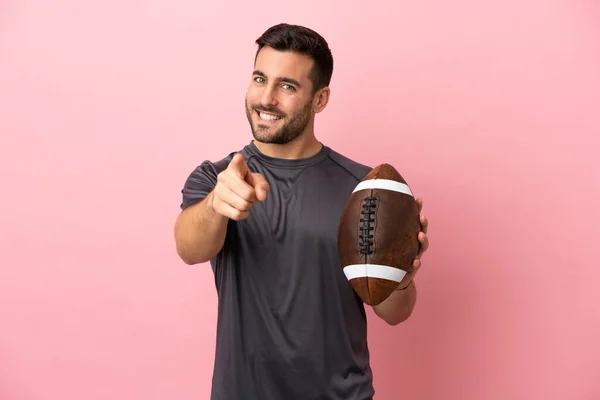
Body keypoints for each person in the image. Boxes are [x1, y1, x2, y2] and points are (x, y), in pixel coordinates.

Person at [173, 23, 430, 400]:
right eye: (260, 79)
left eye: (287, 86)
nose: (267, 98)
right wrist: (216, 204)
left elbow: (395, 313)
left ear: (320, 99)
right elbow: (189, 248)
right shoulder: (218, 177)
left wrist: (401, 272)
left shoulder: (365, 190)